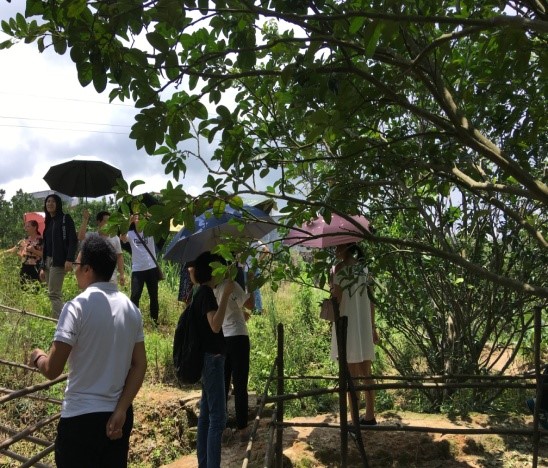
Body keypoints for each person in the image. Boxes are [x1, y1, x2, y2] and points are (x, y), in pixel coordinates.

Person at [29, 234, 147, 467]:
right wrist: (121, 409)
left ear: (87, 269)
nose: (74, 270)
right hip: (117, 419)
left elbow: (52, 369)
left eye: (77, 264)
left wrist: (37, 357)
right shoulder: (131, 310)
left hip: (80, 420)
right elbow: (139, 364)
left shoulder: (76, 307)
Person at [188, 251, 234, 468]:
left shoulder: (200, 293)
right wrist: (225, 295)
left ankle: (204, 463)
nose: (221, 273)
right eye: (219, 268)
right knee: (218, 420)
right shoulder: (207, 294)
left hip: (208, 360)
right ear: (212, 270)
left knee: (206, 417)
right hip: (212, 360)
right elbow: (215, 325)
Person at [330, 242, 379, 426]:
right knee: (366, 373)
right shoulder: (364, 269)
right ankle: (370, 415)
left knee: (351, 375)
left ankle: (354, 419)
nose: (335, 250)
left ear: (345, 247)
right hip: (364, 325)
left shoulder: (340, 269)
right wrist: (372, 327)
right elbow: (372, 301)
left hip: (347, 326)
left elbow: (337, 299)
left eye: (337, 246)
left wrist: (331, 284)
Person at [213, 259, 254, 438]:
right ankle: (242, 427)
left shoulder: (211, 290)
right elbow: (250, 304)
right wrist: (251, 283)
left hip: (222, 338)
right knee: (240, 383)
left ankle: (221, 427)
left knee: (223, 383)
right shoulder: (231, 285)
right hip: (238, 336)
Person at [39, 194, 78, 317]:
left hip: (59, 261)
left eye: (53, 201)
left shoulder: (65, 219)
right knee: (52, 292)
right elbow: (46, 246)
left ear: (58, 204)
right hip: (48, 261)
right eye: (48, 201)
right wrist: (42, 266)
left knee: (54, 293)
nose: (50, 203)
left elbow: (73, 240)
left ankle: (60, 322)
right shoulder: (49, 221)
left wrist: (69, 259)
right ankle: (66, 316)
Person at [120, 214, 161, 325]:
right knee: (135, 296)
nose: (137, 218)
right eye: (135, 217)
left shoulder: (150, 232)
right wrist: (128, 222)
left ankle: (154, 322)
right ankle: (133, 322)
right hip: (137, 269)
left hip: (151, 267)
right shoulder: (130, 233)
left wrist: (149, 216)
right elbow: (122, 238)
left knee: (154, 296)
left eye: (139, 216)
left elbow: (159, 226)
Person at [78, 209, 126, 287]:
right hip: (94, 276)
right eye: (105, 221)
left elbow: (119, 256)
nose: (108, 224)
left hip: (111, 277)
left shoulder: (115, 238)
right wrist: (85, 219)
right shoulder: (92, 236)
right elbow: (81, 237)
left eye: (110, 222)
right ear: (98, 222)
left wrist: (122, 274)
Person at [4, 219, 43, 285]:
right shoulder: (24, 240)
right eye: (25, 226)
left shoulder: (41, 240)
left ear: (35, 227)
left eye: (28, 226)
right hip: (25, 267)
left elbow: (44, 255)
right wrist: (3, 253)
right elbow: (14, 249)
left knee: (36, 287)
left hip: (36, 267)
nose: (25, 228)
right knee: (23, 286)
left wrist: (34, 251)